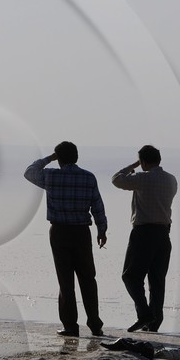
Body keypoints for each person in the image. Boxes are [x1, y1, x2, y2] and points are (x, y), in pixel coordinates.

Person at [24, 141, 107, 337]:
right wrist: (101, 231)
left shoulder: (52, 176)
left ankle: (70, 326)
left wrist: (48, 159)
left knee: (65, 280)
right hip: (81, 232)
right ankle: (95, 325)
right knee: (88, 279)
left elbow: (29, 172)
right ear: (76, 157)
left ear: (58, 158)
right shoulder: (88, 177)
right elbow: (97, 206)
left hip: (60, 232)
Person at [111, 145, 178, 333]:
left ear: (143, 162)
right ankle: (154, 322)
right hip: (164, 233)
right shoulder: (171, 180)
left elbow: (117, 180)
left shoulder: (143, 178)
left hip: (144, 232)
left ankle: (144, 313)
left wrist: (132, 166)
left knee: (130, 276)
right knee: (157, 280)